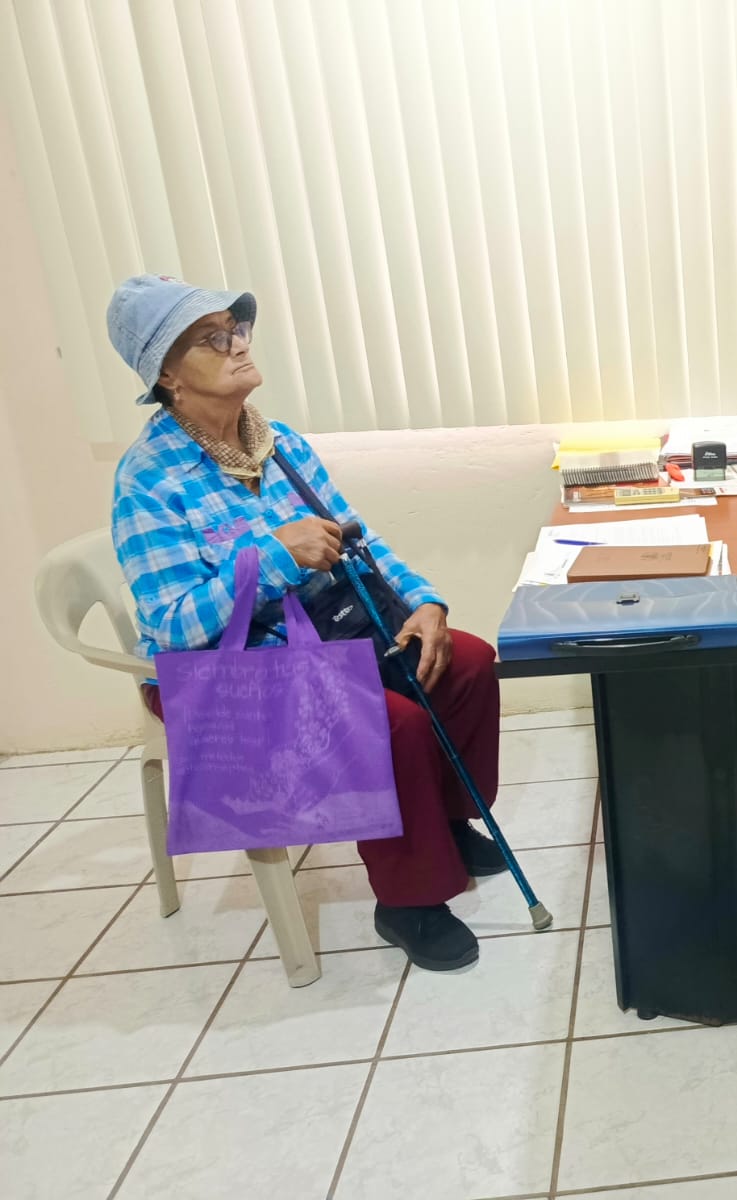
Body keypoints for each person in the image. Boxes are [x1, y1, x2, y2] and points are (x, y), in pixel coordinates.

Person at [106, 274, 505, 973]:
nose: (238, 344)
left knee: (465, 660)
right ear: (167, 374)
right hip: (224, 670)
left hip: (323, 633)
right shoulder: (149, 480)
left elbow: (358, 540)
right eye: (211, 338)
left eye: (236, 328)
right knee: (390, 722)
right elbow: (172, 627)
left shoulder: (278, 442)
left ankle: (445, 821)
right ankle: (409, 900)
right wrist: (272, 557)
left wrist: (425, 602)